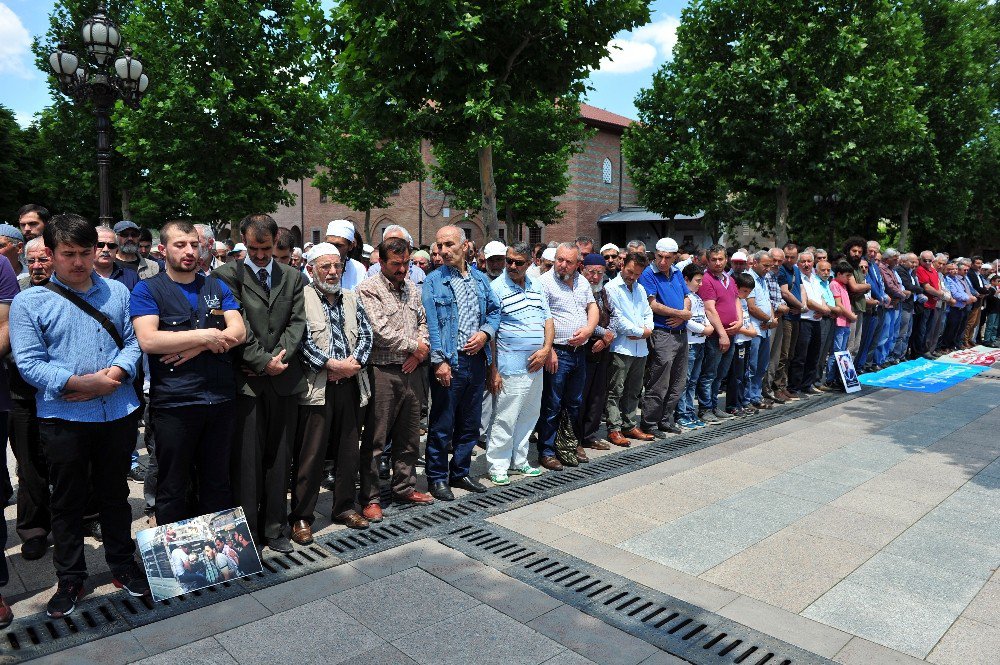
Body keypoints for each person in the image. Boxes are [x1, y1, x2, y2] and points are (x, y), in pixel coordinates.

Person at [10, 213, 150, 618]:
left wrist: (120, 372)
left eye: (85, 253)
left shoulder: (118, 294)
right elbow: (29, 363)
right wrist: (80, 383)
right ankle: (71, 576)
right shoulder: (29, 302)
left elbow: (133, 341)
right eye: (68, 254)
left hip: (116, 412)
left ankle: (123, 564)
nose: (78, 262)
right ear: (49, 254)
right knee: (67, 501)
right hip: (63, 416)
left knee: (115, 495)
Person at [130, 220, 245, 526]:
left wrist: (198, 344)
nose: (189, 251)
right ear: (162, 249)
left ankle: (220, 561)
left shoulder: (216, 285)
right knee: (172, 486)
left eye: (194, 244)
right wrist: (209, 337)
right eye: (180, 245)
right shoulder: (148, 289)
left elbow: (238, 331)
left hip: (219, 400)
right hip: (175, 403)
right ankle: (175, 568)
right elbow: (150, 340)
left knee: (217, 483)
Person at [214, 214, 307, 553]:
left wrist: (278, 359)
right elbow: (235, 323)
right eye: (253, 249)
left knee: (280, 458)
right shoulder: (226, 275)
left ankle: (275, 528)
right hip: (249, 381)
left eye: (266, 249)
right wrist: (260, 360)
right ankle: (248, 533)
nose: (260, 256)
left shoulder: (294, 277)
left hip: (283, 379)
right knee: (247, 463)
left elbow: (298, 322)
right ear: (243, 242)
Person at [295, 243, 373, 536]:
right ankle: (302, 515)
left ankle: (344, 507)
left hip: (351, 385)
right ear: (311, 269)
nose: (331, 272)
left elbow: (366, 334)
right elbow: (301, 342)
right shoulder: (301, 299)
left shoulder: (352, 298)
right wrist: (330, 365)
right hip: (318, 387)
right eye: (325, 267)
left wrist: (355, 362)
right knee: (311, 455)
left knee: (348, 451)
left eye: (336, 266)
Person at [357, 237, 434, 520]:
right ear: (381, 261)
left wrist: (420, 351)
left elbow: (423, 322)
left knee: (409, 436)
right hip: (383, 372)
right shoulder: (369, 289)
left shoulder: (412, 288)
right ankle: (371, 497)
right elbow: (380, 331)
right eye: (396, 265)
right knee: (376, 440)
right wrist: (416, 347)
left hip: (412, 371)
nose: (403, 270)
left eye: (406, 264)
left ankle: (404, 487)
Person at [423, 226, 499, 499]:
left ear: (465, 246)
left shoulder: (480, 280)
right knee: (442, 423)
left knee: (470, 422)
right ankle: (437, 477)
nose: (443, 250)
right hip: (450, 362)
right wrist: (439, 361)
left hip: (476, 361)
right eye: (439, 245)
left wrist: (484, 333)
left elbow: (494, 312)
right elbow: (432, 325)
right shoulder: (434, 281)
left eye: (449, 244)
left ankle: (461, 472)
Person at [485, 242, 552, 485]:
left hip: (535, 365)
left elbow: (548, 320)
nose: (512, 266)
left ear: (530, 263)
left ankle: (520, 461)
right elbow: (490, 332)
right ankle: (498, 465)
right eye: (509, 261)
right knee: (505, 417)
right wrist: (493, 369)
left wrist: (546, 349)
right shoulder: (496, 288)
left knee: (529, 415)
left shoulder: (536, 285)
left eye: (518, 262)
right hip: (508, 367)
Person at [8, 238, 53, 562]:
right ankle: (34, 530)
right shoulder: (17, 292)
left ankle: (81, 518)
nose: (37, 265)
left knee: (71, 463)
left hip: (67, 393)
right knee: (29, 465)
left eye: (44, 259)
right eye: (31, 260)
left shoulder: (75, 291)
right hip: (22, 394)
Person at [536, 243, 598, 470]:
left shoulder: (581, 281)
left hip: (578, 352)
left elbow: (592, 307)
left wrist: (589, 329)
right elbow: (542, 317)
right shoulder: (544, 282)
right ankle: (547, 450)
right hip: (558, 352)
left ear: (577, 264)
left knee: (574, 403)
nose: (561, 265)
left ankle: (568, 444)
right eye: (559, 259)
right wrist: (548, 348)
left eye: (568, 262)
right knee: (552, 404)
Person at [638, 238, 692, 436]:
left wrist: (683, 314)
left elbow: (687, 297)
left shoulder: (677, 272)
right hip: (662, 333)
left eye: (667, 258)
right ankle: (650, 422)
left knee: (678, 381)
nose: (662, 261)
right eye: (659, 256)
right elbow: (652, 305)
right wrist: (681, 314)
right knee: (659, 381)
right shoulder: (648, 274)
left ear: (674, 257)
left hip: (680, 333)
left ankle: (665, 419)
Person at [604, 252, 654, 443]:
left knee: (634, 389)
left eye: (637, 274)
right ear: (622, 264)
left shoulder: (640, 289)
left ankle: (630, 424)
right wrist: (642, 331)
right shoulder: (611, 288)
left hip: (640, 347)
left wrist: (647, 330)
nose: (632, 277)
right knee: (616, 389)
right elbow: (618, 320)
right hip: (621, 347)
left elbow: (648, 313)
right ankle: (614, 427)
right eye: (630, 272)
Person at [577, 254, 616, 456]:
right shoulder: (577, 289)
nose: (594, 277)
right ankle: (575, 438)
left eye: (599, 273)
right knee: (581, 394)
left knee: (598, 393)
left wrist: (608, 337)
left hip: (604, 348)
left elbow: (615, 317)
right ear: (583, 269)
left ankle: (589, 435)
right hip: (584, 347)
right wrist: (603, 335)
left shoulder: (604, 292)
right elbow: (581, 320)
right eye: (591, 272)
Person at [698, 245, 740, 421]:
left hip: (731, 333)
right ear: (708, 260)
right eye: (713, 259)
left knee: (720, 374)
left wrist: (740, 321)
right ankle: (705, 408)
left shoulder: (729, 279)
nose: (717, 262)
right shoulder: (706, 280)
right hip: (716, 336)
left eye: (720, 259)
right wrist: (722, 334)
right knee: (709, 374)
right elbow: (710, 309)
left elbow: (737, 300)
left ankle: (714, 406)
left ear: (726, 259)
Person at [674, 264, 713, 429]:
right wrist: (704, 329)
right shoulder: (686, 297)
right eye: (697, 281)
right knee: (685, 380)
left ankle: (690, 412)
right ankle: (681, 414)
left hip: (700, 343)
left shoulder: (697, 297)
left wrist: (709, 327)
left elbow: (703, 316)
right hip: (689, 344)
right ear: (686, 279)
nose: (700, 284)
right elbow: (686, 320)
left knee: (693, 381)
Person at [787, 251, 829, 396]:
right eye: (803, 261)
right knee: (800, 356)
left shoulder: (816, 279)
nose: (806, 264)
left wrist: (823, 310)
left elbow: (821, 298)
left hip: (816, 320)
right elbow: (808, 301)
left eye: (809, 261)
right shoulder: (799, 278)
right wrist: (823, 309)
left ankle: (807, 384)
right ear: (798, 264)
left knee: (814, 355)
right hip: (804, 320)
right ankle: (794, 386)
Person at [772, 243, 805, 401]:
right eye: (787, 256)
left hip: (796, 315)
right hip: (786, 317)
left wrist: (802, 306)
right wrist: (801, 307)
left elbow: (801, 288)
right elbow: (785, 293)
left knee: (791, 353)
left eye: (793, 257)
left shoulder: (796, 270)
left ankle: (784, 385)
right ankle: (777, 386)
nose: (789, 260)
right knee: (783, 354)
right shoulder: (782, 270)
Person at [746, 251, 778, 409]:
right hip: (755, 329)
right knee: (752, 366)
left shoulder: (764, 279)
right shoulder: (750, 278)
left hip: (765, 329)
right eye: (765, 266)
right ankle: (749, 397)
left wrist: (771, 320)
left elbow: (767, 302)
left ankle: (756, 396)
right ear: (755, 263)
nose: (768, 269)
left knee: (762, 366)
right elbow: (752, 307)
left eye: (769, 266)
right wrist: (769, 319)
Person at [725, 273, 759, 416]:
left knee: (744, 374)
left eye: (749, 292)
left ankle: (741, 402)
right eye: (744, 291)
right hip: (738, 341)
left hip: (746, 341)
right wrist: (750, 332)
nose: (746, 294)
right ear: (736, 287)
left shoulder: (743, 301)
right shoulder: (733, 301)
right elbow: (735, 324)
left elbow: (747, 319)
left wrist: (751, 330)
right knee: (736, 376)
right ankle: (733, 405)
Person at [824, 263, 859, 388]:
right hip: (840, 321)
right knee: (836, 351)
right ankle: (830, 378)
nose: (849, 278)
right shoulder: (834, 284)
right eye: (847, 275)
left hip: (845, 322)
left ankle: (840, 377)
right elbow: (839, 304)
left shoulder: (842, 285)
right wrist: (850, 315)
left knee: (843, 351)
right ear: (838, 274)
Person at [875, 249, 909, 367]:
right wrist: (903, 295)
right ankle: (879, 360)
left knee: (892, 334)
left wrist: (900, 295)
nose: (897, 261)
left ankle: (886, 357)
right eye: (894, 259)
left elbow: (897, 285)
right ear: (886, 259)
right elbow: (890, 286)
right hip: (888, 305)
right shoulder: (882, 268)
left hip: (896, 303)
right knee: (884, 334)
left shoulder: (891, 269)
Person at [892, 253, 923, 362]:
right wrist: (922, 289)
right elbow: (909, 286)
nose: (914, 265)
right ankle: (896, 356)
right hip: (904, 305)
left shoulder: (911, 272)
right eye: (912, 262)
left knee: (907, 333)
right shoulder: (900, 270)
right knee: (901, 332)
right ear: (904, 262)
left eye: (916, 262)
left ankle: (902, 355)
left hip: (910, 305)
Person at [325, 219, 368, 290]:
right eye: (330, 244)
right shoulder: (315, 266)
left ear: (351, 246)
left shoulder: (358, 269)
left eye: (338, 246)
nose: (333, 249)